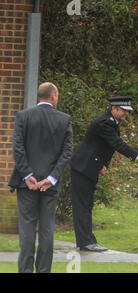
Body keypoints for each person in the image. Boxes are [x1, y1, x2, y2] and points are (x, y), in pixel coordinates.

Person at [70, 96, 138, 252]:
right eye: (123, 111)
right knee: (82, 205)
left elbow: (105, 146)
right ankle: (85, 242)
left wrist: (103, 164)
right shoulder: (105, 123)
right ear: (114, 109)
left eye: (127, 111)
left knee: (86, 205)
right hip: (83, 167)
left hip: (89, 166)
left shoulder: (112, 122)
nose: (126, 114)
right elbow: (117, 144)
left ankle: (87, 240)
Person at [9, 82, 73, 273]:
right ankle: (44, 270)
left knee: (27, 230)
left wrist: (28, 175)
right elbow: (67, 152)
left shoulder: (23, 116)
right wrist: (52, 178)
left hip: (25, 184)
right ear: (53, 96)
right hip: (49, 185)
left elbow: (18, 149)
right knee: (46, 230)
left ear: (40, 96)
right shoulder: (64, 119)